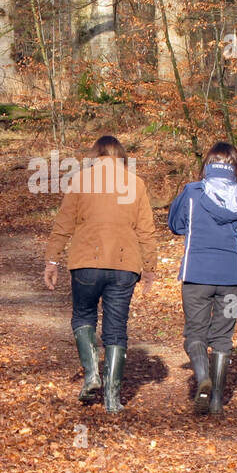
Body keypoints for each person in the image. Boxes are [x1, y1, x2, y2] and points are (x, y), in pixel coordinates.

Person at [44, 136, 157, 414]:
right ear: (121, 156)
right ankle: (112, 399)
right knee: (116, 328)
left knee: (84, 316)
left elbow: (64, 223)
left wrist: (52, 260)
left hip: (86, 262)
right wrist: (150, 267)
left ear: (97, 154)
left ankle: (92, 374)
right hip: (124, 264)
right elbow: (146, 230)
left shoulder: (81, 180)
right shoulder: (136, 183)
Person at [168, 142, 237, 415]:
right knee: (223, 337)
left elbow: (175, 225)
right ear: (236, 166)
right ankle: (217, 403)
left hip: (196, 277)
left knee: (195, 333)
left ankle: (203, 379)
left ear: (208, 164)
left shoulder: (192, 193)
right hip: (234, 282)